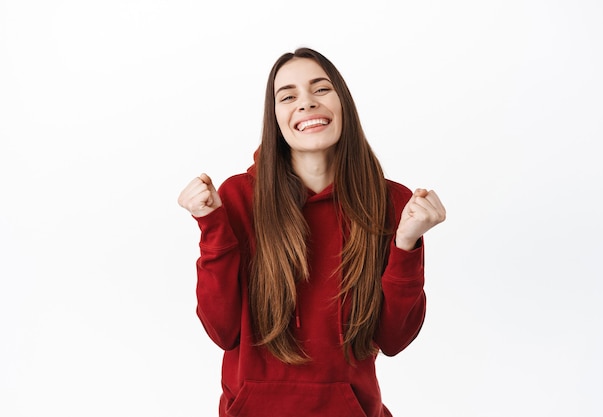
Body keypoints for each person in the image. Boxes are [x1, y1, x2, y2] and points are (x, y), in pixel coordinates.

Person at [177, 47, 446, 417]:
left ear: (343, 104)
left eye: (321, 89)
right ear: (275, 117)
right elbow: (221, 330)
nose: (306, 104)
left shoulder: (391, 202)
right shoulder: (238, 198)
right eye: (288, 96)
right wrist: (211, 225)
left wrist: (406, 243)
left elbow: (394, 339)